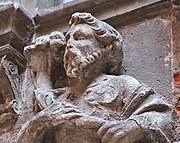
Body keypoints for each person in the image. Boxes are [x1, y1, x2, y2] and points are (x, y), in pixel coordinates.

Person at [18, 12, 172, 143]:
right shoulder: (60, 98)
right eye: (68, 39)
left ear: (106, 47)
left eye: (79, 38)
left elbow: (163, 118)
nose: (70, 44)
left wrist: (133, 127)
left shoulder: (121, 84)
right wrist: (42, 121)